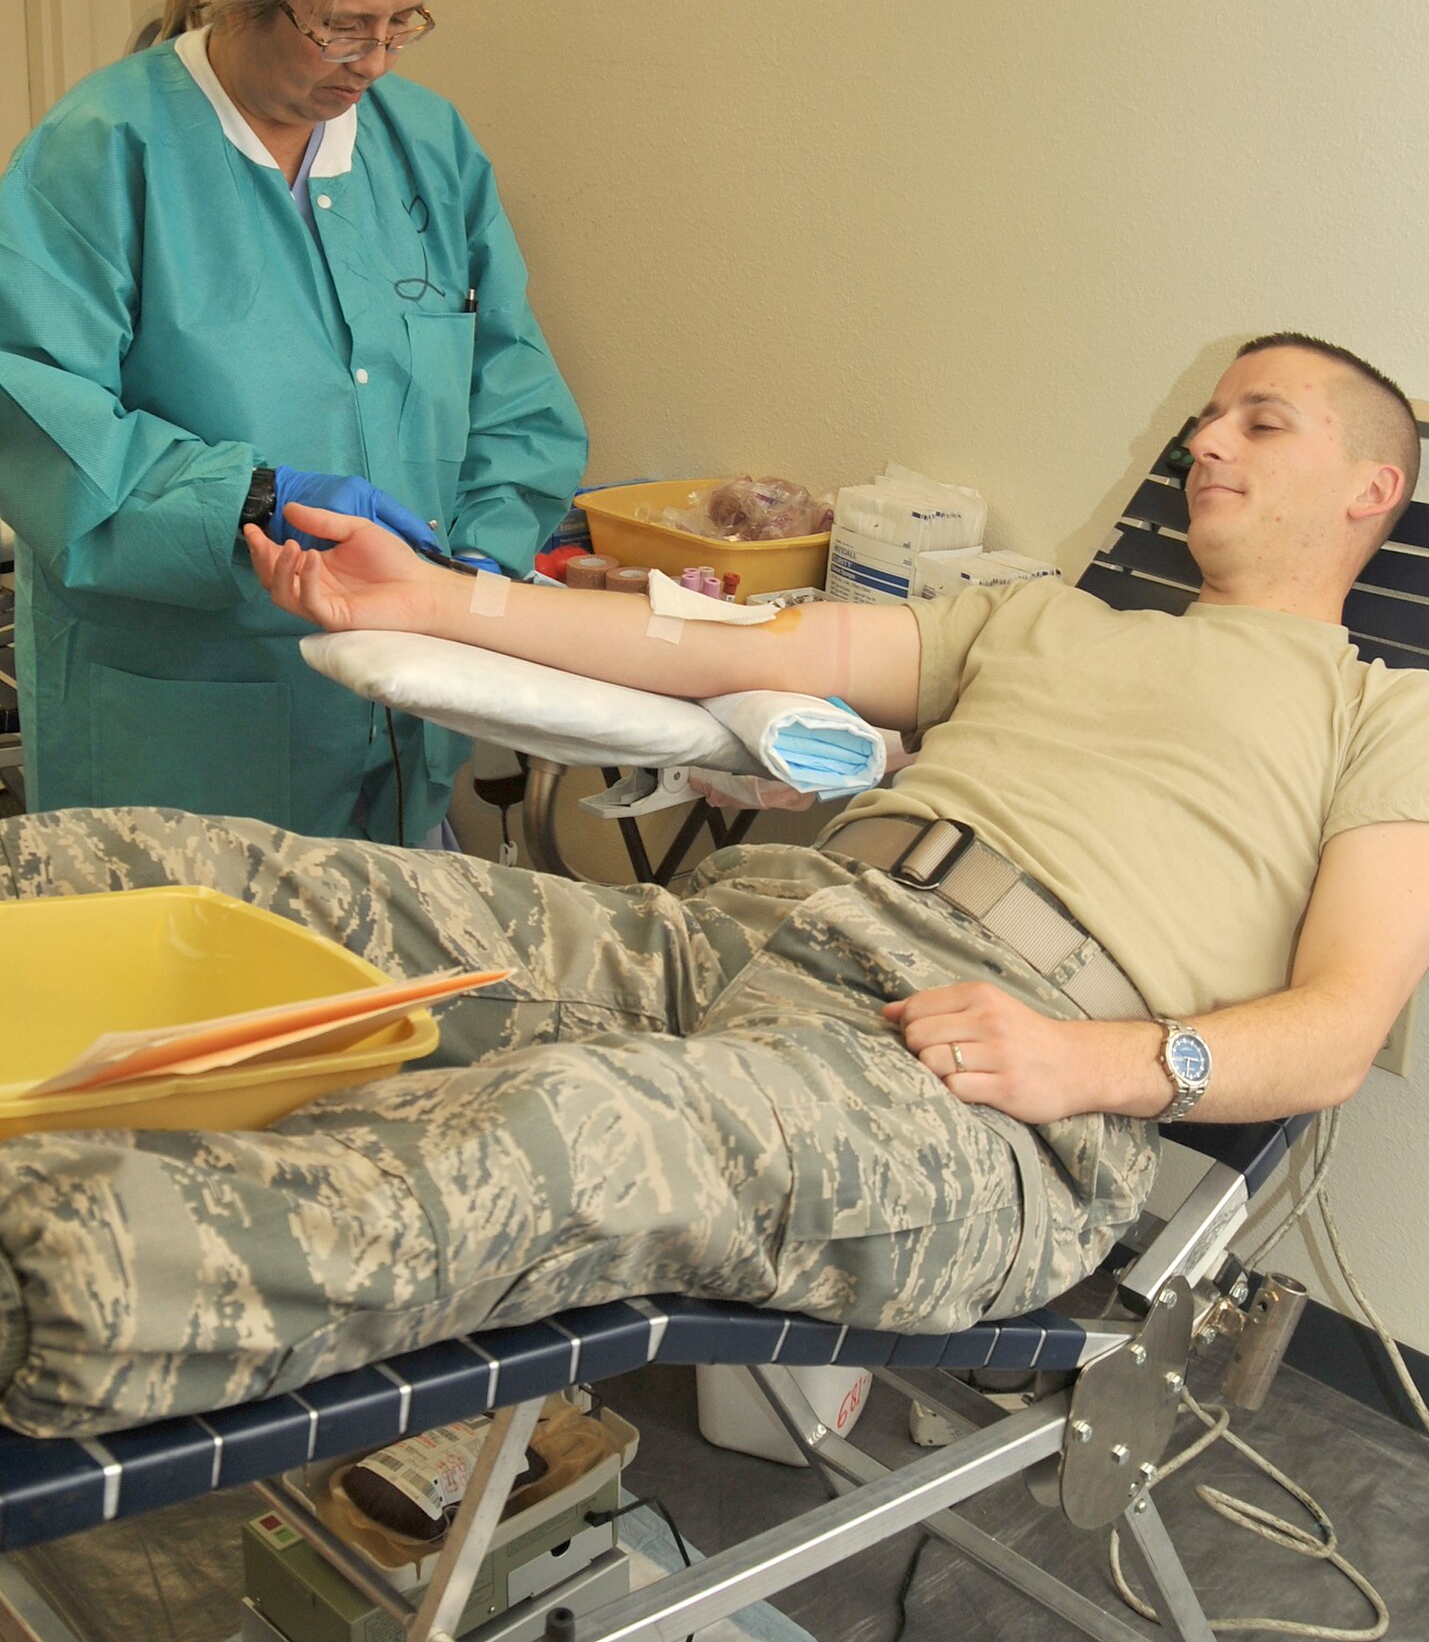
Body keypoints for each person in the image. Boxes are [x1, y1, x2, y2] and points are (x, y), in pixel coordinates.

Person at [0, 333, 1426, 1440]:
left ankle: (49, 1280)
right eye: (1208, 411)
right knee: (269, 886)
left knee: (573, 1129)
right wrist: (428, 597)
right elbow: (737, 650)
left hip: (984, 1088)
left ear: (1374, 488)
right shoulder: (1042, 617)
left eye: (1260, 419)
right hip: (744, 935)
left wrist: (1094, 1062)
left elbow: (1341, 1026)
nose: (1204, 437)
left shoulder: (1384, 715)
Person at [0, 0, 587, 843]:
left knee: (390, 986)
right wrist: (256, 494)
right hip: (183, 724)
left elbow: (514, 393)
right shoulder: (102, 152)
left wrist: (480, 580)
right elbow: (42, 423)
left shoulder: (429, 147)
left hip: (402, 705)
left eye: (403, 21)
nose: (375, 59)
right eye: (342, 24)